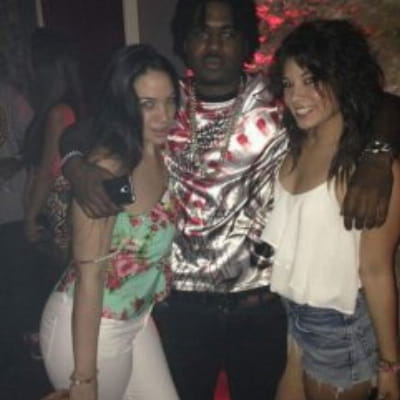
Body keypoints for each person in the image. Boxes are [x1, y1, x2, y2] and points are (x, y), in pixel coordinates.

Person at [58, 1, 400, 399]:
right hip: (182, 306)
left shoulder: (279, 98)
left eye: (227, 32)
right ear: (184, 41)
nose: (214, 44)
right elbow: (80, 131)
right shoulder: (165, 101)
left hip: (260, 305)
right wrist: (75, 165)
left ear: (246, 41)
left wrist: (378, 156)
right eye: (202, 32)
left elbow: (382, 103)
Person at [261, 19, 400, 400]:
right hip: (296, 315)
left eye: (311, 81)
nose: (296, 96)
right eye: (289, 83)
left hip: (341, 329)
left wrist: (390, 366)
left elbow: (377, 272)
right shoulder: (296, 145)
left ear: (342, 78)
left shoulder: (369, 169)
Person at [39, 44, 180, 400]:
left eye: (170, 101)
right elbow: (90, 277)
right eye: (148, 104)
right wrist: (84, 380)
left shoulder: (161, 151)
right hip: (91, 330)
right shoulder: (112, 172)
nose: (164, 116)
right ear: (124, 105)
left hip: (137, 320)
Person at [23, 28, 85, 269]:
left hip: (57, 211)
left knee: (58, 276)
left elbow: (48, 172)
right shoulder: (58, 109)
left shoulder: (58, 112)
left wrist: (30, 217)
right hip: (54, 209)